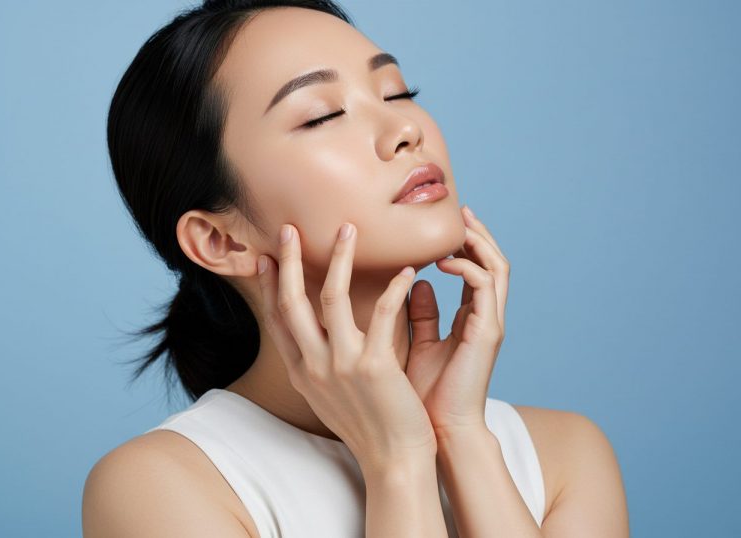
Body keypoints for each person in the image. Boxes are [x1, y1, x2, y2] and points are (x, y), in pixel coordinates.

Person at [82, 1, 629, 536]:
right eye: (322, 115)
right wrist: (397, 460)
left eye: (397, 92)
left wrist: (461, 436)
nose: (405, 129)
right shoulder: (160, 487)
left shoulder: (563, 455)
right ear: (220, 240)